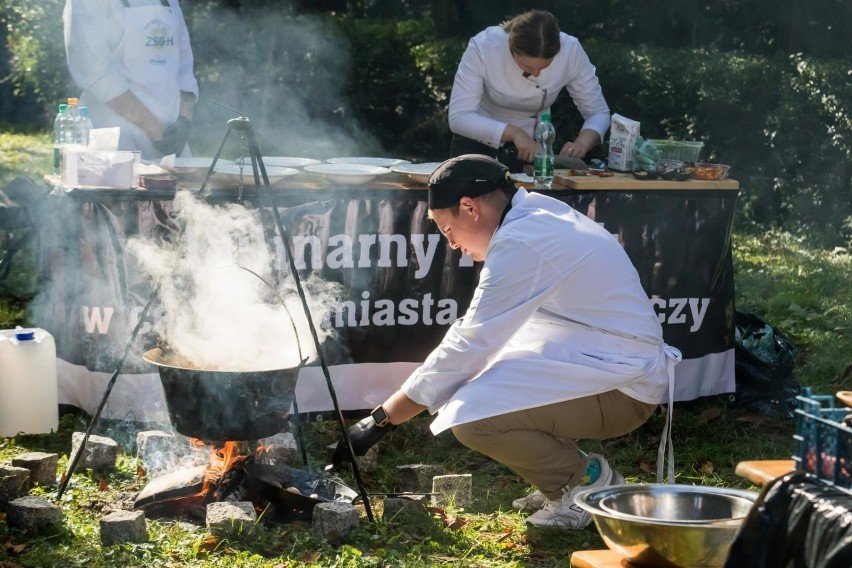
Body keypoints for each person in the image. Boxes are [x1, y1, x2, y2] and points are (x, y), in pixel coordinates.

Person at [333, 154, 680, 529]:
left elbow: (470, 344)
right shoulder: (532, 217)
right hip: (602, 363)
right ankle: (571, 473)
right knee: (481, 386)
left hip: (624, 388)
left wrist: (381, 421)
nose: (451, 245)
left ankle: (583, 484)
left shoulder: (524, 241)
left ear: (469, 207)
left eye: (447, 230)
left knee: (473, 416)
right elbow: (475, 332)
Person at [447, 10, 610, 171]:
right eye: (527, 67)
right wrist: (514, 133)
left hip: (532, 149)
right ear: (511, 47)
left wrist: (582, 142)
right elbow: (460, 117)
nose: (536, 74)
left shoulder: (571, 50)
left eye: (545, 67)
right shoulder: (484, 46)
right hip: (477, 138)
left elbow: (598, 112)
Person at [63, 0, 199, 160]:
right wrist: (154, 129)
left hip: (173, 147)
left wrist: (184, 120)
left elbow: (184, 66)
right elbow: (93, 72)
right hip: (114, 146)